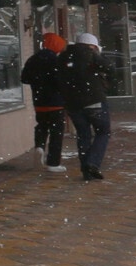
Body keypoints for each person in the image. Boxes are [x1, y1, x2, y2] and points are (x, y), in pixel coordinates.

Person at [59, 31, 112, 181]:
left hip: (73, 104)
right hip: (94, 101)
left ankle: (86, 170)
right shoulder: (92, 55)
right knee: (103, 132)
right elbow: (110, 68)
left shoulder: (63, 57)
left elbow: (58, 77)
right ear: (92, 45)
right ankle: (92, 163)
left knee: (83, 135)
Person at [20, 31, 68, 172]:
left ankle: (40, 146)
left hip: (39, 102)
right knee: (56, 132)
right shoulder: (57, 61)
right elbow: (61, 81)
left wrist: (38, 83)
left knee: (42, 125)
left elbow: (24, 78)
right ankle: (53, 163)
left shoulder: (33, 59)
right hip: (56, 102)